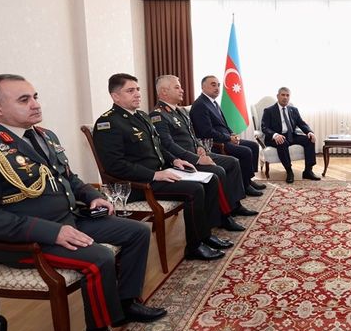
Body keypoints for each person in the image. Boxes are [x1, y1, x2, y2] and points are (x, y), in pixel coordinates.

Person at [0, 74, 166, 331]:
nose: (35, 104)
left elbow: (69, 179)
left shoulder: (44, 136)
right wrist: (52, 232)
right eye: (24, 100)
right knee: (98, 257)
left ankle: (127, 303)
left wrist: (93, 196)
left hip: (69, 220)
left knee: (137, 231)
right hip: (26, 241)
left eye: (35, 96)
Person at [92, 73, 232, 262]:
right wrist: (154, 175)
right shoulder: (108, 123)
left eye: (138, 89)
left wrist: (175, 161)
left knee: (210, 179)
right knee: (195, 189)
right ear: (115, 96)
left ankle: (205, 235)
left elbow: (158, 147)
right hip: (138, 184)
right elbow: (115, 166)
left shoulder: (141, 116)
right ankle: (194, 247)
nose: (137, 94)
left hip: (160, 173)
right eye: (130, 91)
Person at [152, 75, 257, 232]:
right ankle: (223, 218)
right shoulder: (158, 115)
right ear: (164, 91)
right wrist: (197, 159)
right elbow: (167, 145)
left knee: (232, 162)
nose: (182, 90)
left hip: (196, 154)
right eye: (177, 87)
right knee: (218, 171)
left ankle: (235, 205)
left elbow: (192, 136)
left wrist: (200, 147)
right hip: (183, 161)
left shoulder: (180, 111)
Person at [189, 75, 265, 196]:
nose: (217, 88)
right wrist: (229, 138)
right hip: (216, 143)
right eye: (213, 85)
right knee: (246, 151)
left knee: (254, 146)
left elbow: (223, 124)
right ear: (203, 87)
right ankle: (245, 186)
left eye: (218, 85)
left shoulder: (213, 103)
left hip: (226, 138)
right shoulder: (200, 105)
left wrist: (231, 133)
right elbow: (206, 131)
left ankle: (247, 179)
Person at [260, 87, 320, 183]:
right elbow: (264, 127)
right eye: (283, 95)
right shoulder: (269, 111)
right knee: (282, 142)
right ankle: (289, 171)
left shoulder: (293, 110)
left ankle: (308, 171)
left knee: (309, 139)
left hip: (291, 135)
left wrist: (309, 132)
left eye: (287, 95)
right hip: (276, 137)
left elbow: (301, 123)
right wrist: (275, 135)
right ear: (278, 96)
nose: (285, 97)